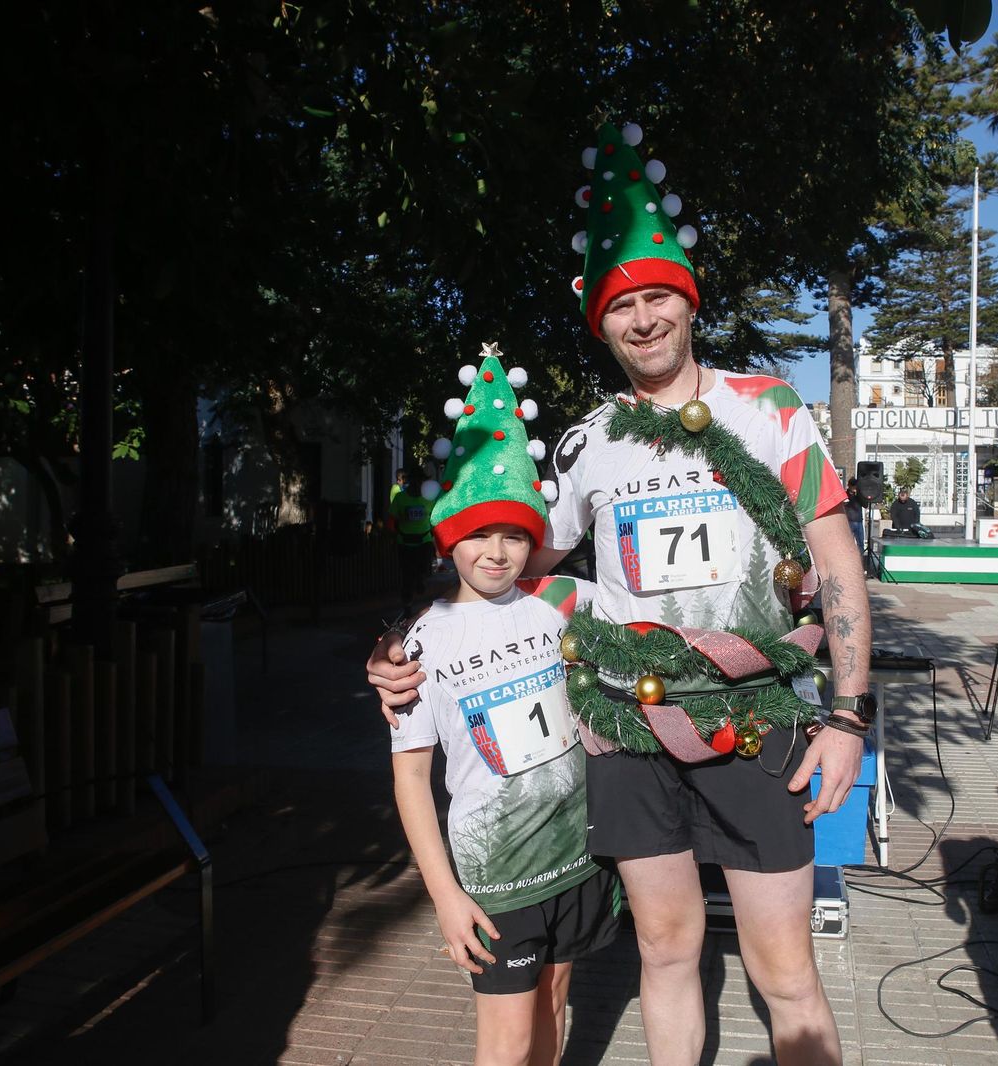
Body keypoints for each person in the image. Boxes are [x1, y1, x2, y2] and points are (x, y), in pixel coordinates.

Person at [370, 120, 870, 1065]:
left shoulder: (768, 408)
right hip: (630, 736)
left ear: (687, 302)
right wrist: (402, 646)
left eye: (656, 299)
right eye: (620, 307)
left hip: (756, 724)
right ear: (597, 322)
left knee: (785, 970)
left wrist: (848, 716)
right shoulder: (583, 443)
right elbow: (502, 565)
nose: (641, 320)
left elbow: (836, 560)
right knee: (668, 949)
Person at [391, 350, 617, 1066]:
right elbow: (409, 777)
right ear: (449, 538)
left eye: (515, 534)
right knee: (506, 1042)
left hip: (575, 859)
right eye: (478, 534)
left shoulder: (558, 605)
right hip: (496, 875)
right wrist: (445, 897)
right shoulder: (419, 641)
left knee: (553, 1006)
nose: (497, 551)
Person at [388, 465, 435, 610]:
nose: (417, 484)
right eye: (414, 481)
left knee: (423, 569)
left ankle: (421, 579)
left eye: (420, 482)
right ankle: (407, 603)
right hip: (405, 542)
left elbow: (435, 518)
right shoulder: (400, 498)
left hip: (424, 541)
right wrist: (394, 532)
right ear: (409, 482)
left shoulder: (429, 499)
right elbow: (392, 519)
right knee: (407, 575)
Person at [845, 477, 865, 551]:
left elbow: (865, 505)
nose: (854, 487)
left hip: (859, 521)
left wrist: (860, 495)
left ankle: (861, 559)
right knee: (848, 543)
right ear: (849, 486)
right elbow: (846, 504)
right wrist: (851, 494)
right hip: (849, 521)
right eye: (852, 485)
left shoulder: (858, 496)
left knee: (860, 543)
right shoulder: (845, 495)